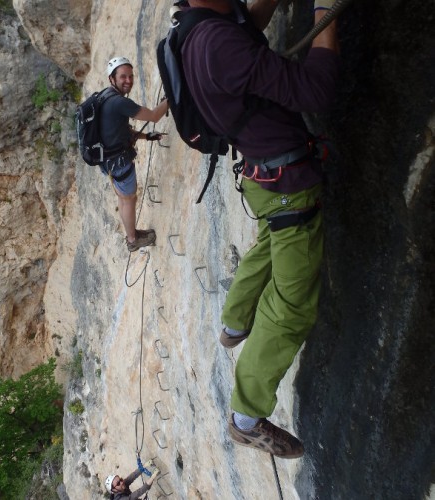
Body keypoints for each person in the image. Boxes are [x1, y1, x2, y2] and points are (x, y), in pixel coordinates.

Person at [179, 0, 340, 456]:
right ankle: (246, 415)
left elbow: (245, 24)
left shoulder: (194, 31)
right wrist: (326, 9)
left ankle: (234, 323)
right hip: (285, 183)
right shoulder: (218, 42)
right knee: (290, 304)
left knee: (272, 239)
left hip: (261, 176)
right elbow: (317, 89)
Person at [102, 56, 169, 251]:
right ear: (112, 79)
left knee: (124, 198)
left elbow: (119, 131)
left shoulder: (105, 97)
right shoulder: (120, 103)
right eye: (123, 76)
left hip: (108, 161)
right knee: (129, 199)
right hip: (120, 162)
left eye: (131, 76)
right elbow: (155, 115)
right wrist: (170, 99)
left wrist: (145, 137)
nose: (128, 80)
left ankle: (131, 235)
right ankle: (133, 240)